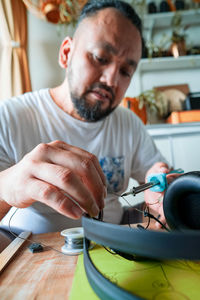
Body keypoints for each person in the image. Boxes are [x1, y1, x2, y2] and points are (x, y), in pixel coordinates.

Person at [0, 0, 171, 235]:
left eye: (125, 71)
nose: (112, 80)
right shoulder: (10, 117)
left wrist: (161, 192)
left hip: (114, 257)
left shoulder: (129, 124)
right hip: (33, 262)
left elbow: (155, 178)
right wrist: (6, 188)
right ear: (66, 53)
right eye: (101, 58)